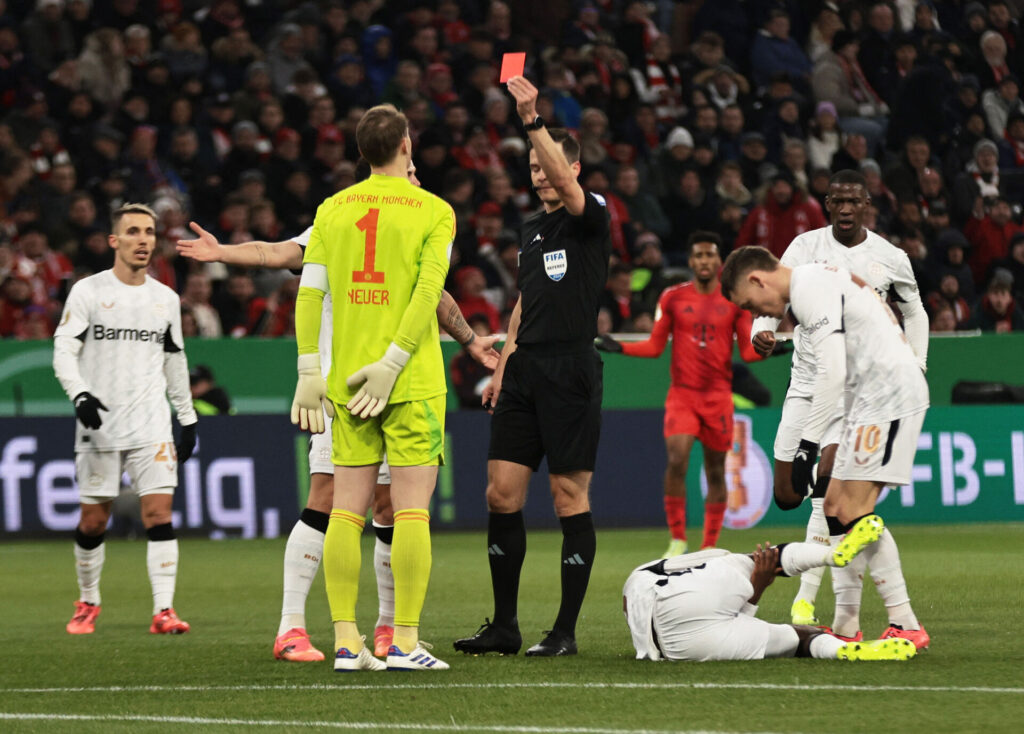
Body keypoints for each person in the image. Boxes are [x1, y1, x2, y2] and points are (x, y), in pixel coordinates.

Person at [176, 160, 499, 663]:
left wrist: (472, 340)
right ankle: (291, 627)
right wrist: (225, 253)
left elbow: (431, 293)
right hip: (342, 384)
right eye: (410, 166)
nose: (416, 175)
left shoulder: (413, 218)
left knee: (390, 505)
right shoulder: (344, 217)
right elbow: (279, 252)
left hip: (399, 388)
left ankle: (387, 631)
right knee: (328, 497)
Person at [290, 104, 455, 672]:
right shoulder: (434, 210)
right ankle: (405, 643)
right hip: (408, 382)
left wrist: (308, 369)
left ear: (362, 152)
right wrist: (394, 361)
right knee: (409, 512)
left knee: (346, 513)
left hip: (345, 382)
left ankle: (345, 642)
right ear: (406, 145)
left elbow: (309, 294)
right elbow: (428, 292)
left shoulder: (331, 210)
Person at [453, 74, 611, 658]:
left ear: (570, 167)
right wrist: (503, 366)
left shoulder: (589, 213)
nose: (539, 172)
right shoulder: (531, 229)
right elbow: (524, 300)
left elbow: (570, 188)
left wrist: (531, 120)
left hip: (571, 368)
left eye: (548, 165)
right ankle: (505, 627)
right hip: (523, 372)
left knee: (569, 496)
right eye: (534, 167)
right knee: (501, 494)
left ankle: (565, 631)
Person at [746, 169, 929, 647]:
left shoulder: (889, 257)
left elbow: (914, 310)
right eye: (837, 201)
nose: (846, 209)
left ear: (868, 202)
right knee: (804, 498)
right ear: (827, 205)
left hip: (860, 392)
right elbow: (772, 297)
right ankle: (850, 620)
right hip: (811, 384)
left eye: (854, 201)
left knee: (839, 504)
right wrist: (758, 328)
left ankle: (869, 617)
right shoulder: (804, 251)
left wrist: (919, 360)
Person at [53, 203, 198, 636]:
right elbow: (64, 349)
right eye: (133, 232)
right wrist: (79, 394)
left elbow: (175, 360)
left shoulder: (165, 299)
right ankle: (88, 602)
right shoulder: (88, 292)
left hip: (151, 423)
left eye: (150, 232)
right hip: (99, 426)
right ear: (114, 241)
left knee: (159, 514)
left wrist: (187, 417)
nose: (143, 240)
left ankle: (164, 611)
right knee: (93, 521)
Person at [595, 231, 763, 558]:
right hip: (683, 396)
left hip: (717, 398)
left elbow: (747, 349)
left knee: (715, 470)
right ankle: (677, 539)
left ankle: (710, 544)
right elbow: (656, 346)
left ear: (719, 261)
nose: (703, 261)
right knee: (676, 459)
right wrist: (621, 346)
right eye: (698, 255)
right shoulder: (672, 297)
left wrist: (771, 349)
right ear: (690, 261)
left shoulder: (735, 300)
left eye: (709, 255)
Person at [623, 542, 916, 662]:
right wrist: (755, 580)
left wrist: (756, 589)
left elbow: (731, 619)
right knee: (762, 559)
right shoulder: (641, 574)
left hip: (675, 648)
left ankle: (844, 649)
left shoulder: (638, 582)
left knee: (799, 639)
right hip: (670, 597)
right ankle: (833, 554)